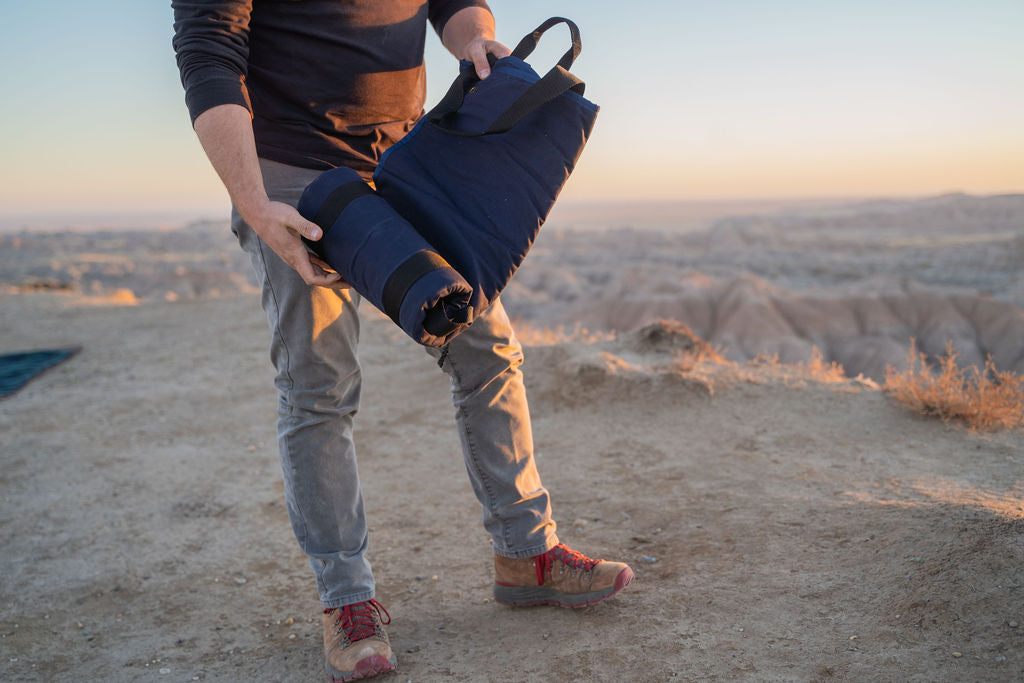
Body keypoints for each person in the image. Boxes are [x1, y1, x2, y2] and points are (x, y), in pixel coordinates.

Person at [171, 2, 633, 680]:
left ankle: (526, 555)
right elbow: (209, 51)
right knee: (319, 385)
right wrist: (255, 204)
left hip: (407, 160)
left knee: (487, 349)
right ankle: (347, 601)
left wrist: (474, 40)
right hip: (294, 177)